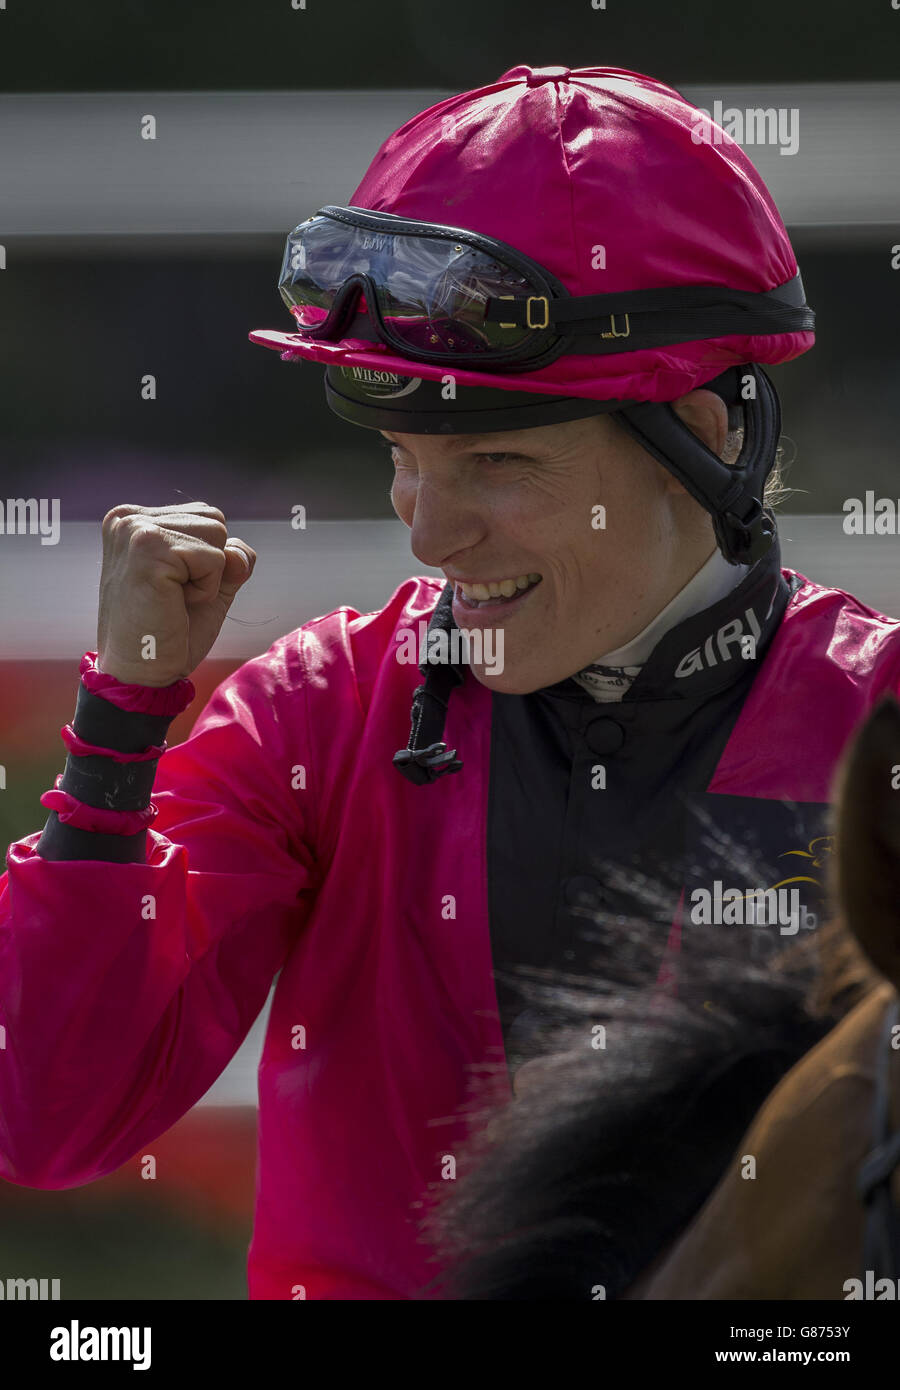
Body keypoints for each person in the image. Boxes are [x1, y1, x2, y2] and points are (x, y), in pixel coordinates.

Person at [1, 64, 898, 1302]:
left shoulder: (880, 723)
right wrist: (115, 738)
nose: (428, 534)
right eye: (403, 459)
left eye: (498, 462)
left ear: (704, 435)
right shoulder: (313, 710)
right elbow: (53, 1120)